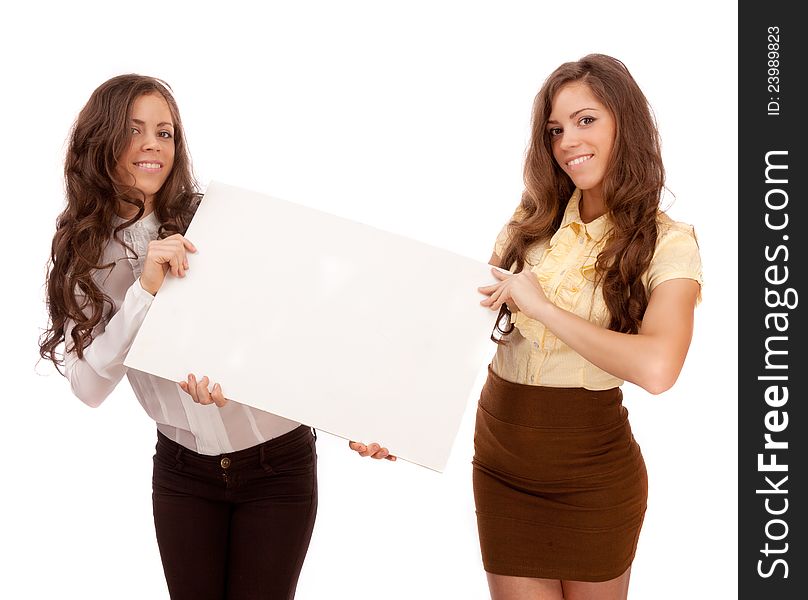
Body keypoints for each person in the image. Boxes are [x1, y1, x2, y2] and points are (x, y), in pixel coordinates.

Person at [40, 75, 319, 600]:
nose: (153, 144)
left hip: (274, 462)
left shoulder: (213, 221)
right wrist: (142, 292)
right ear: (100, 141)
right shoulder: (83, 253)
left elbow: (282, 329)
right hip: (182, 471)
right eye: (134, 129)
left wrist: (237, 377)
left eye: (165, 132)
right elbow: (88, 387)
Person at [474, 54, 702, 600]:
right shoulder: (529, 223)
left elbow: (658, 368)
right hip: (501, 466)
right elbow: (455, 328)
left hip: (593, 478)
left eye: (586, 119)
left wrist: (546, 308)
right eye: (555, 129)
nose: (567, 141)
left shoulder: (668, 242)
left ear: (626, 121)